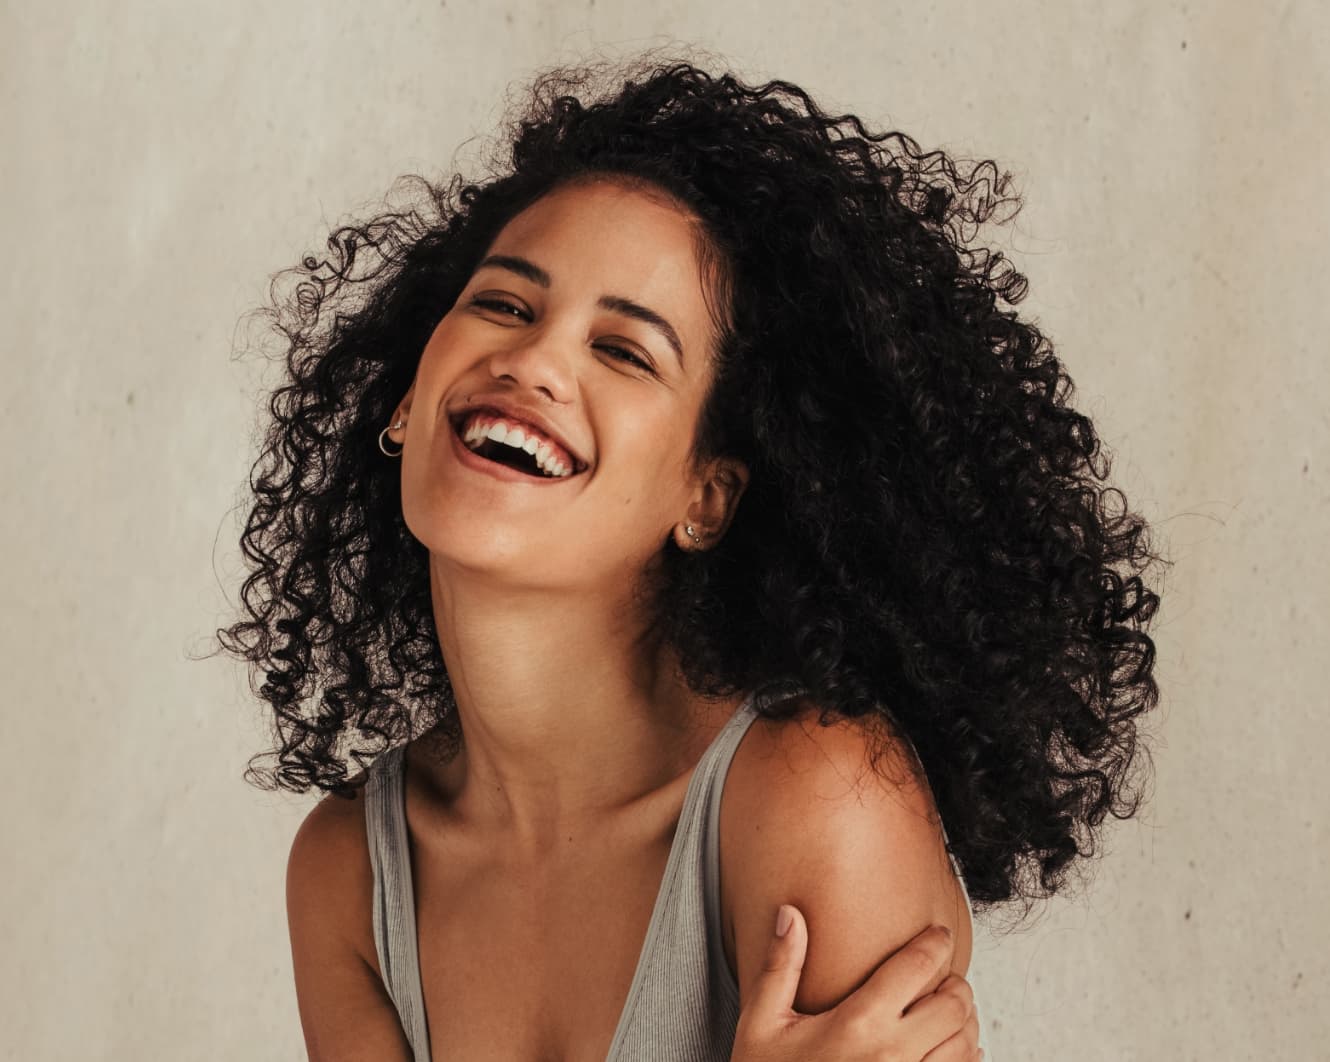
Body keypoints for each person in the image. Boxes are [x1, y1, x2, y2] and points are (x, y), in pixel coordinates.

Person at [216, 53, 1165, 1061]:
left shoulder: (816, 802)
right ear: (408, 397)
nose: (534, 361)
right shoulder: (346, 873)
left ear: (704, 497)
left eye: (623, 351)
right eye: (504, 304)